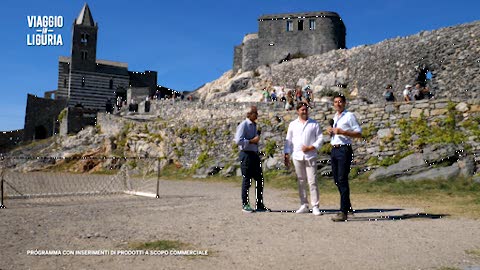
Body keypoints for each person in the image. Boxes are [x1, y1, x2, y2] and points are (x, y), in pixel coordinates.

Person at [326, 94, 362, 222]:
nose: (338, 104)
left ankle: (343, 212)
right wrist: (331, 132)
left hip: (344, 149)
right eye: (335, 102)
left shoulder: (349, 116)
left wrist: (343, 132)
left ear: (345, 103)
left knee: (342, 179)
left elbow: (359, 133)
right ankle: (348, 206)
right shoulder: (335, 117)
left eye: (340, 102)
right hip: (334, 149)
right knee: (336, 179)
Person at [284, 102, 323, 216]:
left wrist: (311, 147)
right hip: (297, 156)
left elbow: (320, 138)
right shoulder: (292, 124)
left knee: (312, 181)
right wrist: (286, 154)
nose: (304, 111)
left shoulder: (314, 123)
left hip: (310, 155)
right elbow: (288, 141)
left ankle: (315, 205)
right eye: (302, 109)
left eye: (305, 109)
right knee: (301, 180)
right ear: (297, 111)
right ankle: (304, 204)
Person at [234, 106, 270, 213]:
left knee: (259, 179)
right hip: (246, 154)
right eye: (255, 113)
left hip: (254, 154)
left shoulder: (254, 125)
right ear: (249, 114)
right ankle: (245, 204)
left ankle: (259, 204)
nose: (257, 115)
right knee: (247, 180)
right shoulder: (243, 125)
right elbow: (238, 140)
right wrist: (251, 141)